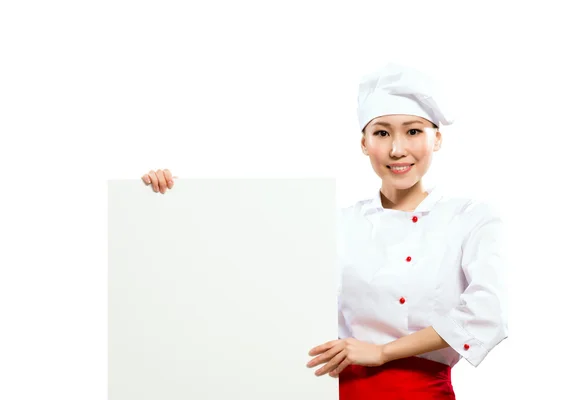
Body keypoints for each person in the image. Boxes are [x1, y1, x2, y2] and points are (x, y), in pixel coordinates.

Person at [141, 63, 508, 399]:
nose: (397, 149)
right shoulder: (336, 222)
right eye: (382, 133)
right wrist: (171, 201)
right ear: (364, 143)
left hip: (422, 391)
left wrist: (382, 351)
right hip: (331, 389)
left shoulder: (471, 218)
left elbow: (487, 314)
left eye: (413, 131)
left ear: (437, 139)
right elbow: (246, 266)